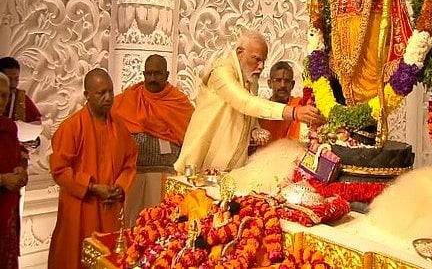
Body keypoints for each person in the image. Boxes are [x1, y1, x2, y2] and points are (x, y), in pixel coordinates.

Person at [174, 30, 324, 173]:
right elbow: (244, 102)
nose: (261, 66)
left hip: (233, 166)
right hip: (203, 163)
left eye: (263, 61)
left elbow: (245, 115)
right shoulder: (222, 72)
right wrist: (294, 112)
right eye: (257, 59)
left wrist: (254, 129)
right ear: (240, 53)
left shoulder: (251, 79)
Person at [48, 68, 137, 269]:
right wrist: (92, 187)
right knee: (75, 256)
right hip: (81, 207)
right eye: (101, 93)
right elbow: (59, 170)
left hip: (109, 207)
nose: (108, 98)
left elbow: (130, 161)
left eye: (110, 91)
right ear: (87, 95)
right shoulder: (71, 127)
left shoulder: (119, 126)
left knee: (109, 256)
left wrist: (120, 187)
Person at [112, 54, 194, 226]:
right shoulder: (129, 98)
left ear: (167, 74)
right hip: (133, 175)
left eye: (157, 73)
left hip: (167, 175)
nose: (152, 78)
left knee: (161, 224)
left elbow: (192, 138)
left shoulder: (179, 102)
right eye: (148, 74)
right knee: (132, 224)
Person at [0, 72, 28, 269]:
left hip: (8, 213)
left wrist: (21, 172)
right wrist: (3, 180)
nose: (1, 101)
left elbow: (17, 160)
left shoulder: (9, 127)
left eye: (4, 95)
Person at [258, 61, 303, 142]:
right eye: (278, 80)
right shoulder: (261, 110)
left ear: (292, 84)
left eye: (287, 81)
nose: (282, 85)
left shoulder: (300, 105)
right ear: (269, 83)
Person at [0, 56, 42, 123]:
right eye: (9, 79)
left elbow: (37, 122)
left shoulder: (21, 98)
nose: (13, 84)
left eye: (16, 79)